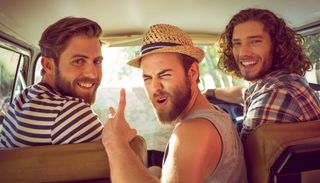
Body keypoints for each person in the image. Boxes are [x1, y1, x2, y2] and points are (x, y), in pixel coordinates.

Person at [102, 24, 247, 183]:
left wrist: (115, 142)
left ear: (192, 73)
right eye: (147, 78)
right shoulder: (215, 113)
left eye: (164, 75)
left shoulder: (192, 130)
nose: (155, 88)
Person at [204, 8, 320, 139]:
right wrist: (209, 93)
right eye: (237, 43)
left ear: (277, 46)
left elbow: (239, 158)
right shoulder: (285, 81)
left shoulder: (277, 93)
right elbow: (243, 93)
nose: (243, 53)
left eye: (255, 41)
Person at [0, 17, 104, 148]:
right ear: (48, 65)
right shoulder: (71, 112)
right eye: (79, 61)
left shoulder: (22, 97)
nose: (93, 73)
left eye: (97, 61)